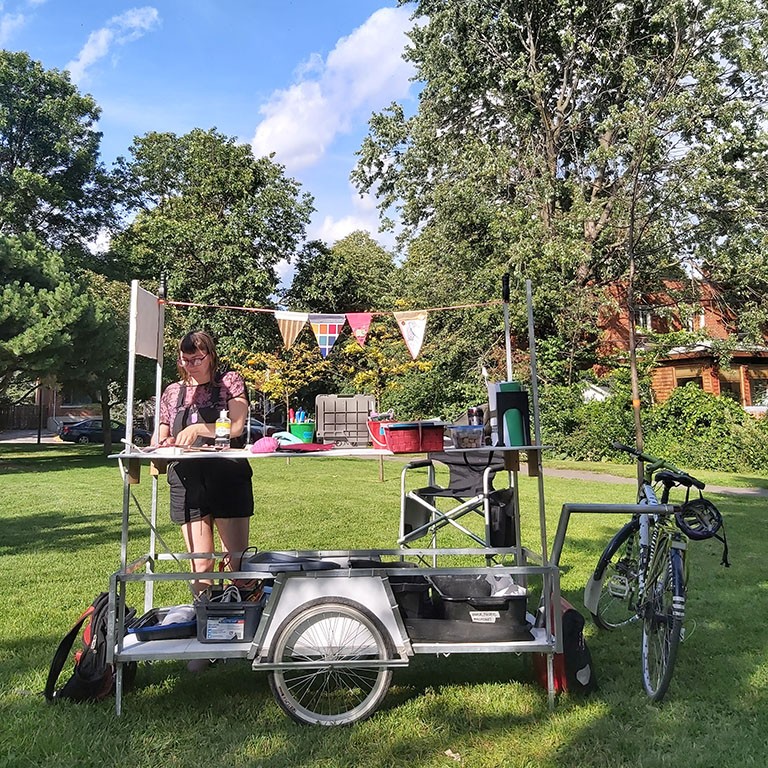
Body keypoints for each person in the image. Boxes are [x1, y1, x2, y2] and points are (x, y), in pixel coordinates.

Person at [153, 330, 253, 592]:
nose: (191, 365)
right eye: (186, 360)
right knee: (200, 565)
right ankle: (204, 621)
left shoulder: (229, 381)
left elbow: (237, 427)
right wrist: (162, 444)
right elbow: (161, 436)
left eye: (197, 359)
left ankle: (244, 622)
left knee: (237, 563)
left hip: (227, 475)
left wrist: (199, 429)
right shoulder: (173, 392)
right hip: (187, 481)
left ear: (210, 355)